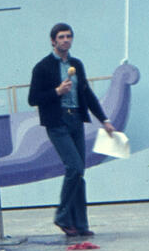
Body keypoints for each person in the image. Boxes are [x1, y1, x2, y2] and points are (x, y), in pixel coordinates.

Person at [28, 23, 115, 237]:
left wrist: (104, 119)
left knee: (79, 173)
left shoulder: (76, 64)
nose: (65, 40)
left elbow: (86, 94)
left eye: (68, 36)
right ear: (53, 41)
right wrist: (57, 91)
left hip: (76, 119)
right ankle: (62, 216)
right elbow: (33, 99)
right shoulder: (43, 67)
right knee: (74, 166)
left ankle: (80, 224)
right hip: (57, 122)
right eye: (61, 37)